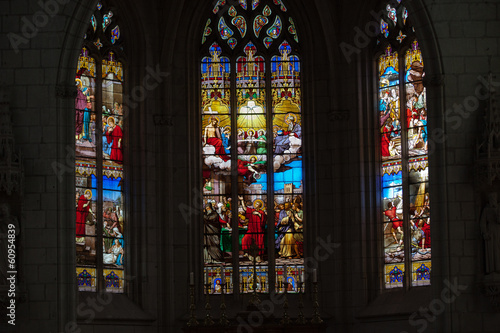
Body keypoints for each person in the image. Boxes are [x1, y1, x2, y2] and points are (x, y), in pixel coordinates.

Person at [239, 197, 266, 262]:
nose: (255, 205)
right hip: (251, 230)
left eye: (257, 204)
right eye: (255, 203)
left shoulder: (261, 212)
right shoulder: (252, 211)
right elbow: (245, 208)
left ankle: (258, 257)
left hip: (259, 231)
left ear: (260, 206)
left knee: (259, 243)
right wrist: (242, 200)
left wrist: (258, 214)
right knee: (245, 239)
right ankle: (247, 253)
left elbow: (263, 221)